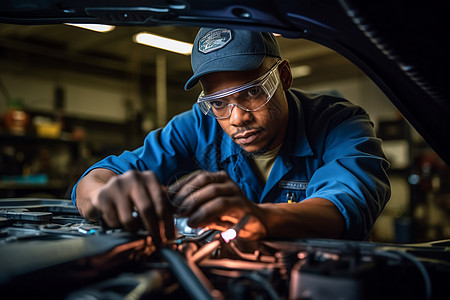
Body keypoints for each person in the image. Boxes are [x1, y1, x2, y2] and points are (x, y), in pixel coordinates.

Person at [72, 28, 391, 245]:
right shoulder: (198, 125)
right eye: (218, 102)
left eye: (252, 92)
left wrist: (260, 217)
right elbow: (96, 178)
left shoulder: (339, 122)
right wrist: (105, 196)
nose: (237, 118)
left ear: (283, 76)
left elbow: (346, 204)